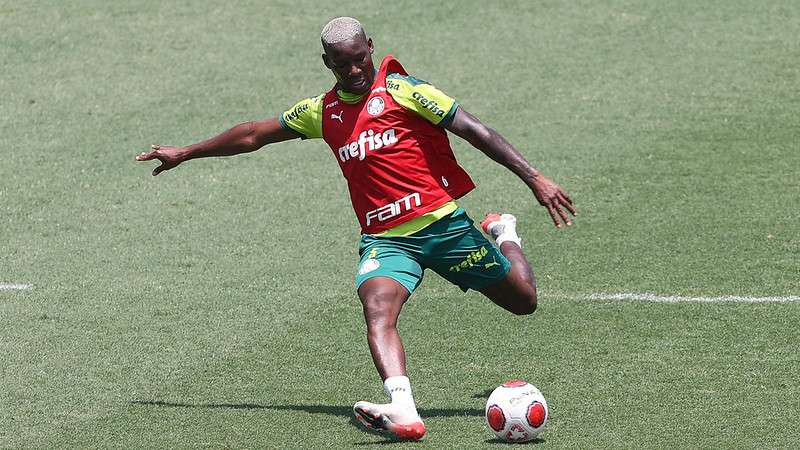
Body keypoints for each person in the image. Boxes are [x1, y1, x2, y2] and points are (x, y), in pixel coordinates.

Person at [136, 16, 575, 441]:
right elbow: (253, 134)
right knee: (377, 307)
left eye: (358, 60)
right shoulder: (322, 112)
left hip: (443, 226)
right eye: (341, 64)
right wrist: (187, 152)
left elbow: (474, 130)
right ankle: (402, 406)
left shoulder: (405, 91)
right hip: (386, 239)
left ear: (370, 48)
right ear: (326, 63)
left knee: (523, 301)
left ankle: (506, 234)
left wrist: (533, 177)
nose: (353, 71)